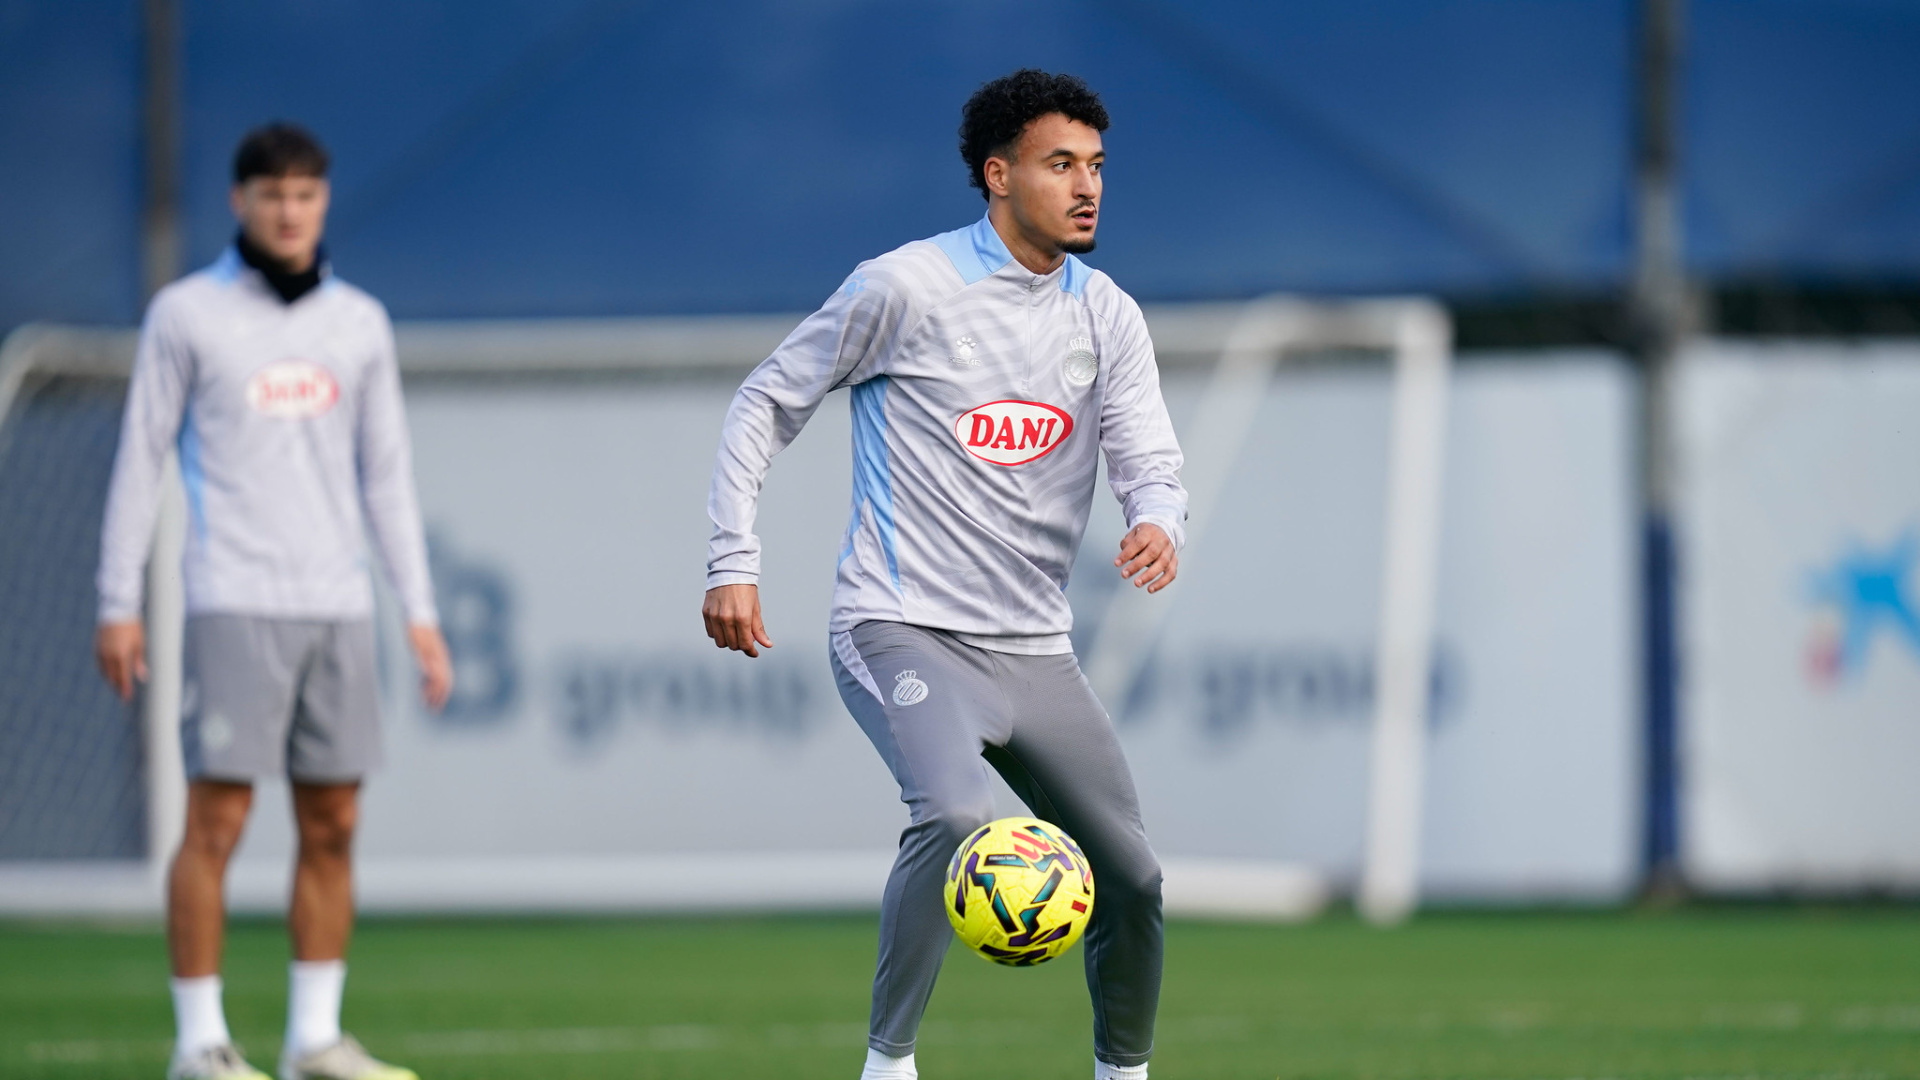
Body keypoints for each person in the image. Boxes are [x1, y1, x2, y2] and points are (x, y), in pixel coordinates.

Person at [702, 70, 1187, 1080]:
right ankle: (888, 1067)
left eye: (1098, 167)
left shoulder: (1107, 314)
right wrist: (733, 558)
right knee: (959, 817)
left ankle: (1125, 1075)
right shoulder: (905, 287)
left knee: (1134, 876)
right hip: (901, 624)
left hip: (1035, 650)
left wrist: (1157, 518)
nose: (1087, 187)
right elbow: (764, 403)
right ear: (998, 175)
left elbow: (1149, 456)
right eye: (1061, 165)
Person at [94, 122, 451, 1080]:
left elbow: (386, 477)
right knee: (215, 823)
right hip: (233, 598)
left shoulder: (359, 323)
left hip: (336, 605)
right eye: (272, 195)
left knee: (334, 825)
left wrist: (417, 610)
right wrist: (116, 598)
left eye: (305, 195)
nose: (289, 212)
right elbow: (140, 459)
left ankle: (313, 1041)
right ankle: (199, 1043)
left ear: (323, 202)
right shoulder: (187, 315)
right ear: (239, 201)